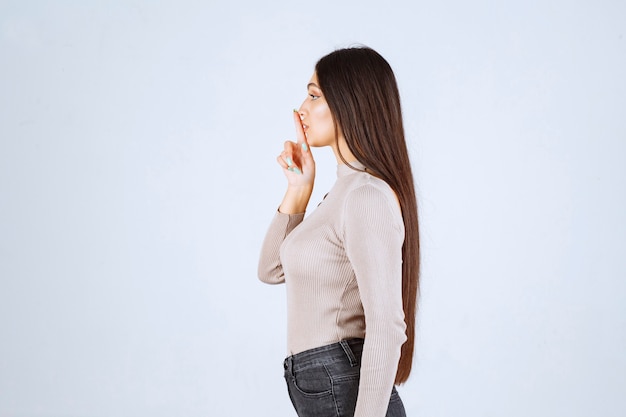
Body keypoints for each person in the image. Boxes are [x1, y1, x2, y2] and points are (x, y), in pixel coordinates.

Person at [258, 46, 420, 417]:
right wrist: (299, 189)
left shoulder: (365, 195)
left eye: (314, 95)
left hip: (343, 385)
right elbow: (271, 270)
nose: (302, 106)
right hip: (326, 384)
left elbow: (387, 325)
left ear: (351, 103)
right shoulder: (341, 193)